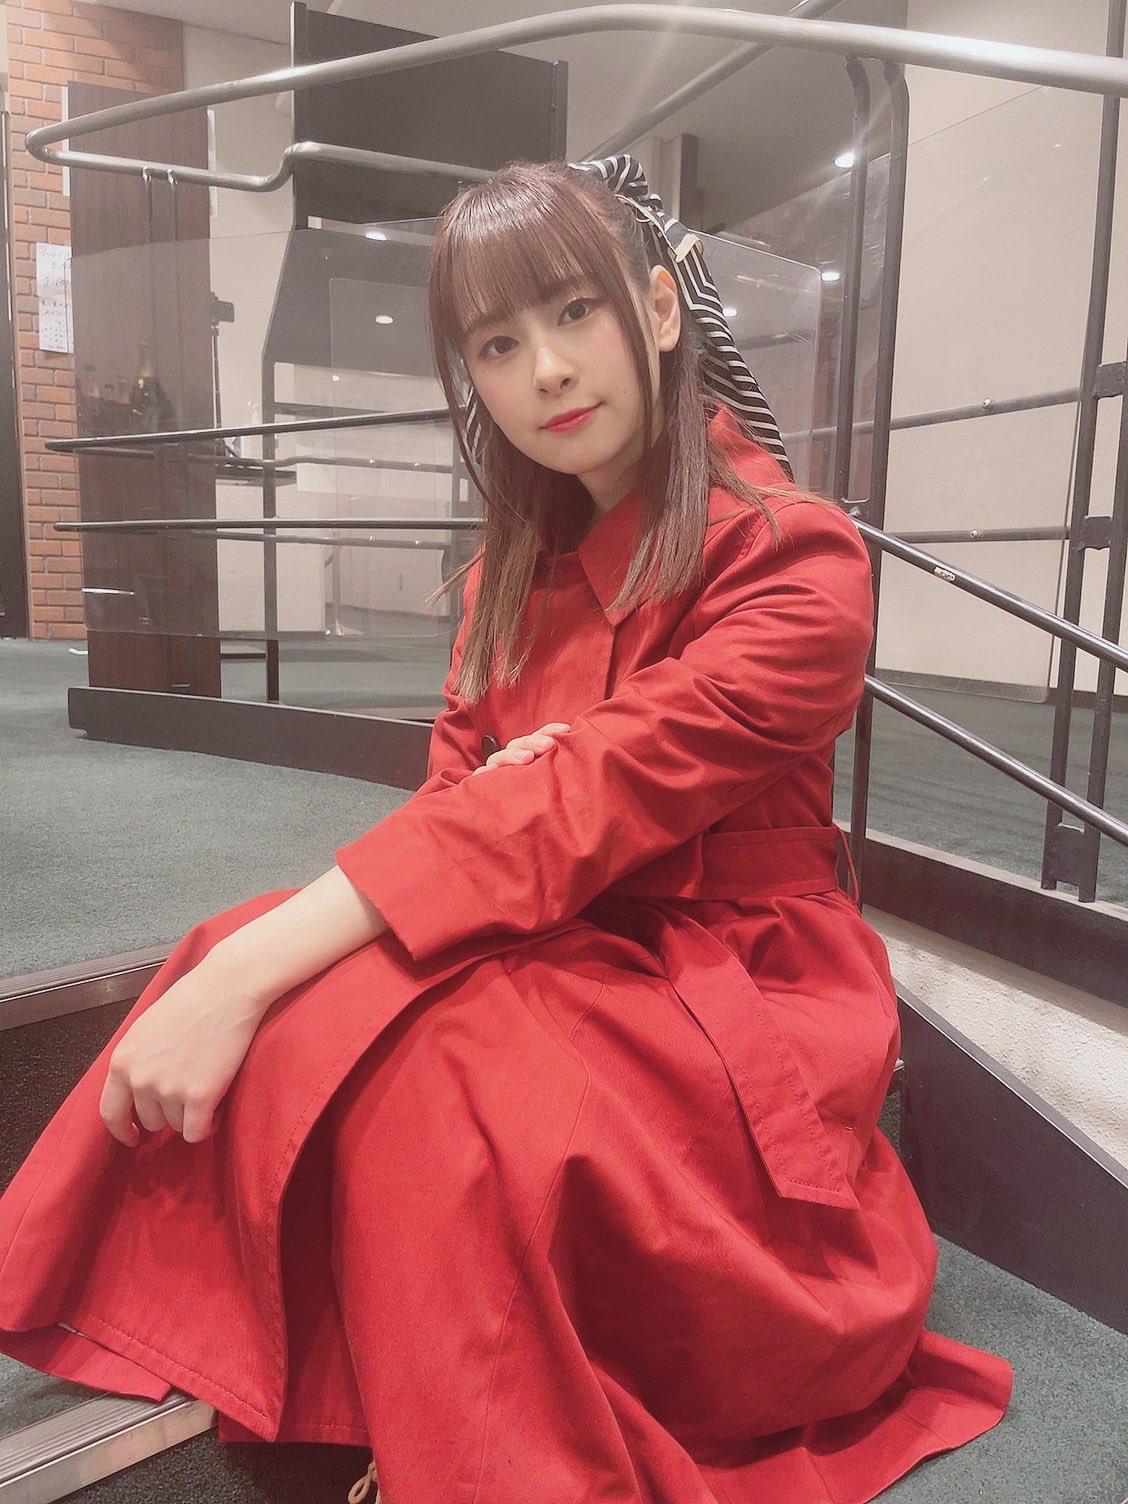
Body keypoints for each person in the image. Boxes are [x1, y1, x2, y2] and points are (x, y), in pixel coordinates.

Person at [0, 154, 1012, 1504]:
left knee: (406, 1047)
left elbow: (569, 801)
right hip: (557, 923)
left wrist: (493, 812)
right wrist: (281, 943)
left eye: (576, 312)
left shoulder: (795, 556)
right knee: (258, 958)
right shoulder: (504, 578)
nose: (545, 370)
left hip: (738, 980)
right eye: (496, 343)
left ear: (659, 309)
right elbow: (467, 808)